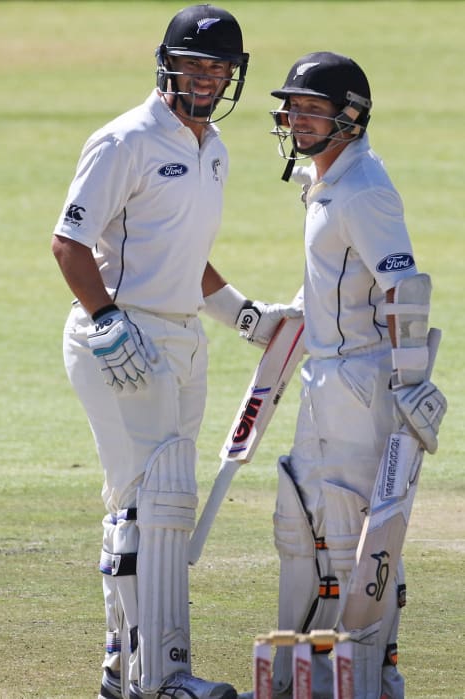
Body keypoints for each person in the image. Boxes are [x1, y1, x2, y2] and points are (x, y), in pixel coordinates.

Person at [51, 5, 300, 699]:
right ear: (167, 64)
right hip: (123, 336)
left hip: (184, 337)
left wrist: (245, 316)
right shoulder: (125, 139)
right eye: (195, 65)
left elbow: (185, 256)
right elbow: (69, 241)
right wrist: (104, 318)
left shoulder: (212, 145)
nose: (208, 78)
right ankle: (161, 675)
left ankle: (128, 667)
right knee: (148, 504)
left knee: (162, 503)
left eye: (219, 69)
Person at [245, 52, 446, 699]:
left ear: (350, 119)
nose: (296, 118)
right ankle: (301, 672)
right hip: (323, 374)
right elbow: (339, 284)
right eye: (293, 107)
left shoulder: (364, 186)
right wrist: (282, 316)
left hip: (361, 382)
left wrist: (411, 383)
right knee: (301, 517)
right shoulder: (324, 180)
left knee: (359, 531)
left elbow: (403, 285)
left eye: (312, 109)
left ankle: (368, 676)